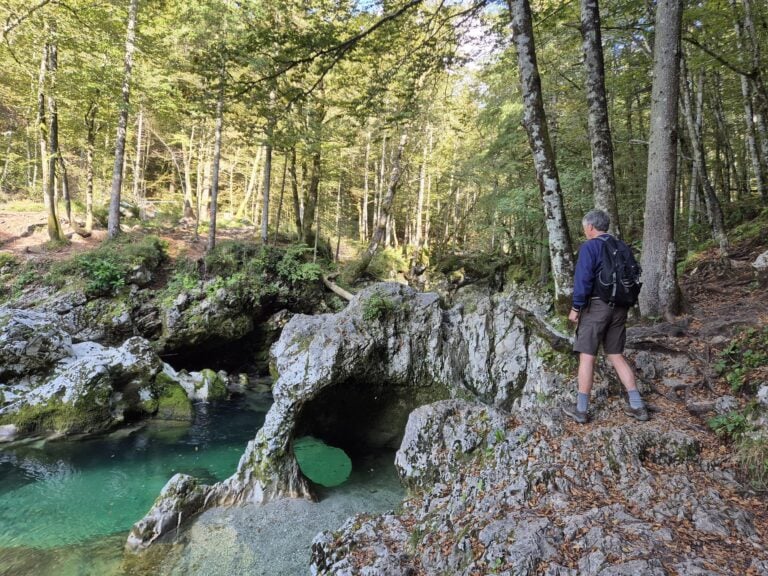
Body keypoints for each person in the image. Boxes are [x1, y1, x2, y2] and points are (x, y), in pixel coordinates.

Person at [563, 209, 649, 424]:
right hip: (621, 307)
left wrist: (576, 307)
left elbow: (583, 279)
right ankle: (637, 405)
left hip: (597, 307)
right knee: (616, 354)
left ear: (590, 227)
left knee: (587, 356)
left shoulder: (590, 247)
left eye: (585, 227)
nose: (585, 231)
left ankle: (581, 410)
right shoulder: (622, 246)